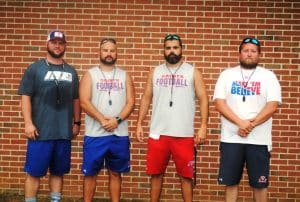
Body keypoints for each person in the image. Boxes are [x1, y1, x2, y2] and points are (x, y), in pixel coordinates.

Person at [136, 34, 209, 202]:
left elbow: (203, 98)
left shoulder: (192, 71)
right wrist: (140, 123)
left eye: (175, 47)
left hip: (183, 134)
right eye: (168, 48)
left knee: (186, 177)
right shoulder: (155, 71)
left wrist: (203, 125)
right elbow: (146, 97)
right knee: (155, 174)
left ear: (181, 49)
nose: (172, 51)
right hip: (158, 133)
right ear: (163, 50)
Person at [213, 37, 281, 202]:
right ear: (239, 53)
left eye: (253, 51)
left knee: (260, 185)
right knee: (230, 183)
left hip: (259, 140)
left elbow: (272, 106)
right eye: (246, 50)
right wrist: (240, 122)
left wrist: (250, 125)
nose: (249, 54)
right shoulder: (227, 75)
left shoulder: (269, 76)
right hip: (231, 139)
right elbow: (219, 103)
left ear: (259, 54)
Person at [18, 30, 81, 202]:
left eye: (61, 43)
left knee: (58, 172)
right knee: (34, 173)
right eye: (54, 42)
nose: (57, 45)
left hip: (63, 133)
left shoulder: (71, 72)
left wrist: (77, 122)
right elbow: (25, 97)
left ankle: (55, 200)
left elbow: (76, 99)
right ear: (47, 44)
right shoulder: (34, 69)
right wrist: (28, 123)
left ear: (65, 46)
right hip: (40, 132)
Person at [79, 38, 135, 202]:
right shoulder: (90, 74)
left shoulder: (125, 75)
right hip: (95, 134)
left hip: (119, 134)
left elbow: (131, 102)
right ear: (100, 52)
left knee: (115, 173)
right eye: (105, 50)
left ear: (117, 53)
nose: (109, 54)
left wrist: (116, 120)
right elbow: (84, 101)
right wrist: (102, 120)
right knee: (90, 173)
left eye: (112, 50)